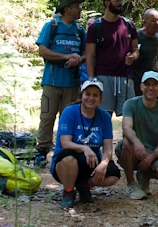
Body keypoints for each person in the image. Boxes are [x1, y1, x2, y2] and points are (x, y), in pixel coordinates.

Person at [50, 79, 121, 207]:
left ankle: (84, 185)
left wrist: (103, 164)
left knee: (113, 174)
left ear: (101, 98)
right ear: (81, 95)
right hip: (66, 162)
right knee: (68, 157)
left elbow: (107, 148)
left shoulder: (104, 117)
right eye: (87, 94)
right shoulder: (70, 112)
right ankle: (68, 191)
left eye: (95, 95)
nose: (91, 98)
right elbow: (65, 143)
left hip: (90, 163)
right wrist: (85, 148)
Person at [34, 0, 86, 165]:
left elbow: (87, 53)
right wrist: (66, 57)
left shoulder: (80, 30)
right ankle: (42, 151)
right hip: (52, 80)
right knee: (47, 116)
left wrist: (78, 59)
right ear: (67, 8)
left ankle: (66, 151)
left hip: (72, 82)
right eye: (76, 6)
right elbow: (43, 51)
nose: (80, 9)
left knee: (70, 118)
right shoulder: (52, 26)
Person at [116, 72, 158, 199]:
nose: (151, 88)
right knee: (127, 142)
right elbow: (126, 128)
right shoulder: (130, 104)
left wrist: (151, 157)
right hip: (132, 147)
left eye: (155, 84)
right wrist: (137, 142)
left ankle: (144, 175)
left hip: (151, 151)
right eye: (147, 84)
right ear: (141, 86)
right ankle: (130, 184)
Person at [84, 0, 139, 116]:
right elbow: (90, 56)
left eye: (121, 0)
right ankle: (104, 136)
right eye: (117, 0)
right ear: (107, 3)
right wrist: (92, 80)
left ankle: (128, 137)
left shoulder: (129, 25)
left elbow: (135, 50)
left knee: (130, 114)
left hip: (125, 76)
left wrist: (133, 56)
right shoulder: (95, 27)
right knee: (103, 114)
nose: (120, 3)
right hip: (103, 76)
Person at [131, 9, 158, 94]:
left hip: (156, 88)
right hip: (141, 88)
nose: (156, 23)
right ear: (144, 22)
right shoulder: (137, 38)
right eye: (153, 20)